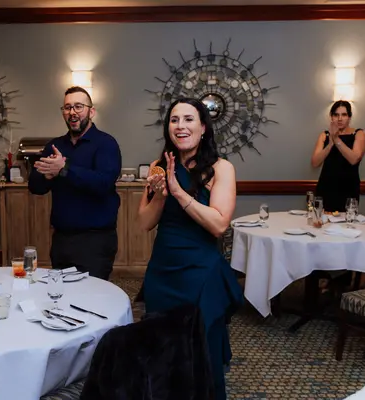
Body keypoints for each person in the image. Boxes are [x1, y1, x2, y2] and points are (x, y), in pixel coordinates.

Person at [138, 98, 243, 399]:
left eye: (188, 119)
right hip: (163, 271)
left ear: (203, 127)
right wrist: (161, 195)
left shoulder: (221, 168)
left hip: (200, 274)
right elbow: (144, 222)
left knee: (200, 352)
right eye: (174, 120)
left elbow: (219, 225)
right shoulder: (158, 167)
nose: (180, 126)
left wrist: (179, 192)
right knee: (162, 351)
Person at [28, 86, 122, 280]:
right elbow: (35, 187)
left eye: (78, 106)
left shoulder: (106, 143)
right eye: (67, 107)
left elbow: (103, 183)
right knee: (61, 294)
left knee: (92, 296)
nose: (72, 112)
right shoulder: (54, 146)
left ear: (91, 111)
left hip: (96, 241)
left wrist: (64, 169)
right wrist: (47, 176)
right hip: (61, 240)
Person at [312, 100, 365, 213]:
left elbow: (354, 159)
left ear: (349, 117)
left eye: (344, 115)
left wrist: (336, 139)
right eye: (336, 115)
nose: (340, 118)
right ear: (331, 117)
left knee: (347, 222)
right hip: (326, 187)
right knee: (321, 221)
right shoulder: (324, 135)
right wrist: (330, 144)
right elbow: (315, 163)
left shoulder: (358, 133)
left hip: (348, 189)